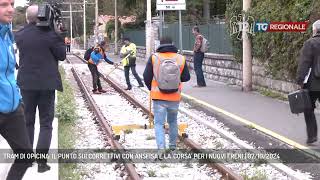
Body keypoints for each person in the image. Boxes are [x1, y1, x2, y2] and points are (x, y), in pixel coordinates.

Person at [15, 5, 66, 172]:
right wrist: (59, 34)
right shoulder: (51, 35)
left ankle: (27, 160)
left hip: (26, 84)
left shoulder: (20, 34)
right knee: (45, 123)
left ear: (27, 18)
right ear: (43, 17)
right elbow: (62, 55)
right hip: (47, 85)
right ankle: (42, 164)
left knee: (27, 121)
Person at [0, 0, 34, 179]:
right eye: (3, 5)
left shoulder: (7, 34)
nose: (11, 9)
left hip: (12, 107)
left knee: (26, 155)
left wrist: (18, 99)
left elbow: (9, 71)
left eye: (12, 3)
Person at [143, 37, 190, 149]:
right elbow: (186, 77)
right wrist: (174, 80)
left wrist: (152, 88)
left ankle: (161, 149)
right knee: (173, 122)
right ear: (172, 44)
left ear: (160, 44)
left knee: (159, 123)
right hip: (174, 97)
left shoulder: (154, 57)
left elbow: (146, 76)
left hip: (158, 97)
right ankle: (172, 147)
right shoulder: (180, 58)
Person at [296, 20, 320, 145]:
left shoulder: (310, 43)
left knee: (308, 108)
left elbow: (304, 63)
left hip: (313, 84)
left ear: (315, 30)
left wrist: (300, 80)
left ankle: (312, 136)